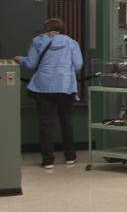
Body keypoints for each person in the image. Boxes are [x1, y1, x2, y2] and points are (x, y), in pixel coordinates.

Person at [15, 18, 84, 169]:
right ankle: (70, 157)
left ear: (46, 29)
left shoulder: (38, 42)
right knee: (66, 121)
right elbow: (78, 65)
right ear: (62, 29)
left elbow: (31, 64)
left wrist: (20, 59)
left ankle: (48, 160)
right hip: (65, 86)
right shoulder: (72, 43)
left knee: (46, 124)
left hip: (43, 87)